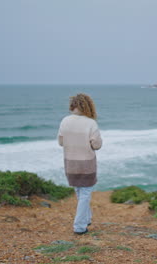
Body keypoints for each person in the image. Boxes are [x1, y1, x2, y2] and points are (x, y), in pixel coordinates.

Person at [57, 93, 102, 235]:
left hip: (70, 162)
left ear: (73, 106)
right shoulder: (90, 123)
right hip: (86, 164)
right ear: (87, 106)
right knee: (85, 193)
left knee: (79, 191)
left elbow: (60, 142)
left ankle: (87, 218)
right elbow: (97, 145)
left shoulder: (65, 121)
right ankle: (79, 227)